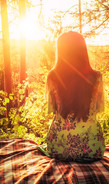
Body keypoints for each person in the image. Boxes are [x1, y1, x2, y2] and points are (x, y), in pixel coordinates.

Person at [42, 31, 105, 162]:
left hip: (59, 148)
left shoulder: (52, 76)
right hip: (92, 149)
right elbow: (98, 109)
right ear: (83, 50)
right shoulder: (97, 77)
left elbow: (52, 110)